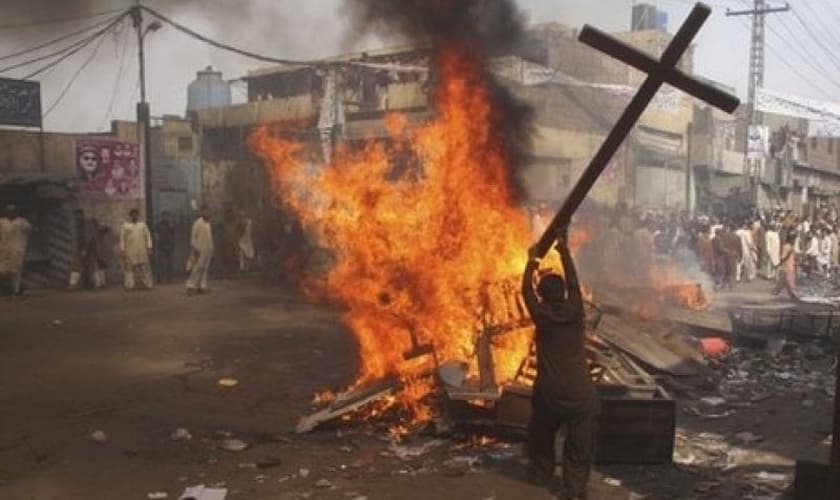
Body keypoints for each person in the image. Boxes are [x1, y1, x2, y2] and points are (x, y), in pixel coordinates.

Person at [522, 229, 599, 499]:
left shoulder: (541, 315)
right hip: (581, 394)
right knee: (579, 445)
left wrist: (533, 260)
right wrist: (564, 250)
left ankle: (541, 470)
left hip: (551, 394)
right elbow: (575, 282)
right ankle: (575, 490)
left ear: (542, 295)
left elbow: (525, 290)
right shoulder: (576, 309)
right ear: (564, 293)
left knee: (540, 429)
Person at [0, 205, 32, 296]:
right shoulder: (2, 222)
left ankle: (15, 291)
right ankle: (6, 289)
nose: (10, 213)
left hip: (17, 249)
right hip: (3, 249)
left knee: (16, 271)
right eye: (8, 211)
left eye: (12, 211)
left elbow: (29, 231)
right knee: (2, 270)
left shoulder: (22, 222)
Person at [119, 209, 153, 290]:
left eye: (136, 215)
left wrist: (149, 247)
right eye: (133, 215)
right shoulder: (125, 226)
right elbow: (122, 239)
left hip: (142, 250)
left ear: (138, 216)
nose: (134, 216)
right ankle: (129, 285)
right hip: (130, 251)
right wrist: (122, 250)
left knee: (145, 268)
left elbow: (148, 236)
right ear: (130, 216)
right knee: (129, 269)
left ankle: (148, 285)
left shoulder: (143, 225)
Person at [186, 207, 213, 295]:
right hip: (199, 250)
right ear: (202, 212)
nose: (207, 213)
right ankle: (190, 286)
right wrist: (195, 249)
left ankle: (202, 286)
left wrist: (212, 249)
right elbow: (193, 238)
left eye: (208, 211)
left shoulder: (208, 223)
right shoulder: (197, 223)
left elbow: (209, 237)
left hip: (208, 250)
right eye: (205, 211)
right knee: (197, 268)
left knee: (205, 269)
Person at [69, 209, 95, 289]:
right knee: (76, 266)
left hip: (88, 248)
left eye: (79, 215)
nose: (77, 217)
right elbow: (74, 238)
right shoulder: (74, 225)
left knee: (88, 266)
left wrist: (85, 249)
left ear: (82, 215)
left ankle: (89, 283)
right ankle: (74, 284)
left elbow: (89, 237)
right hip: (78, 248)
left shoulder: (87, 224)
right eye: (76, 216)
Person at [772, 233, 800, 301]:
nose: (794, 241)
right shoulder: (787, 247)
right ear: (790, 239)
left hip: (788, 267)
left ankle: (774, 293)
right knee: (790, 283)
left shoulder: (791, 247)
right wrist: (789, 254)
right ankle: (795, 296)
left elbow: (793, 257)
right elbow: (783, 258)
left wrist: (796, 262)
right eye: (793, 239)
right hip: (787, 267)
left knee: (782, 282)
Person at [154, 211, 176, 283]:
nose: (166, 217)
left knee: (170, 263)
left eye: (167, 216)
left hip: (169, 245)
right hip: (161, 245)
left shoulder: (171, 224)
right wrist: (158, 241)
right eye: (164, 216)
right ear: (162, 216)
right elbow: (155, 234)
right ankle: (159, 278)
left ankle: (169, 278)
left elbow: (173, 233)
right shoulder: (158, 224)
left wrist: (171, 225)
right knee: (161, 263)